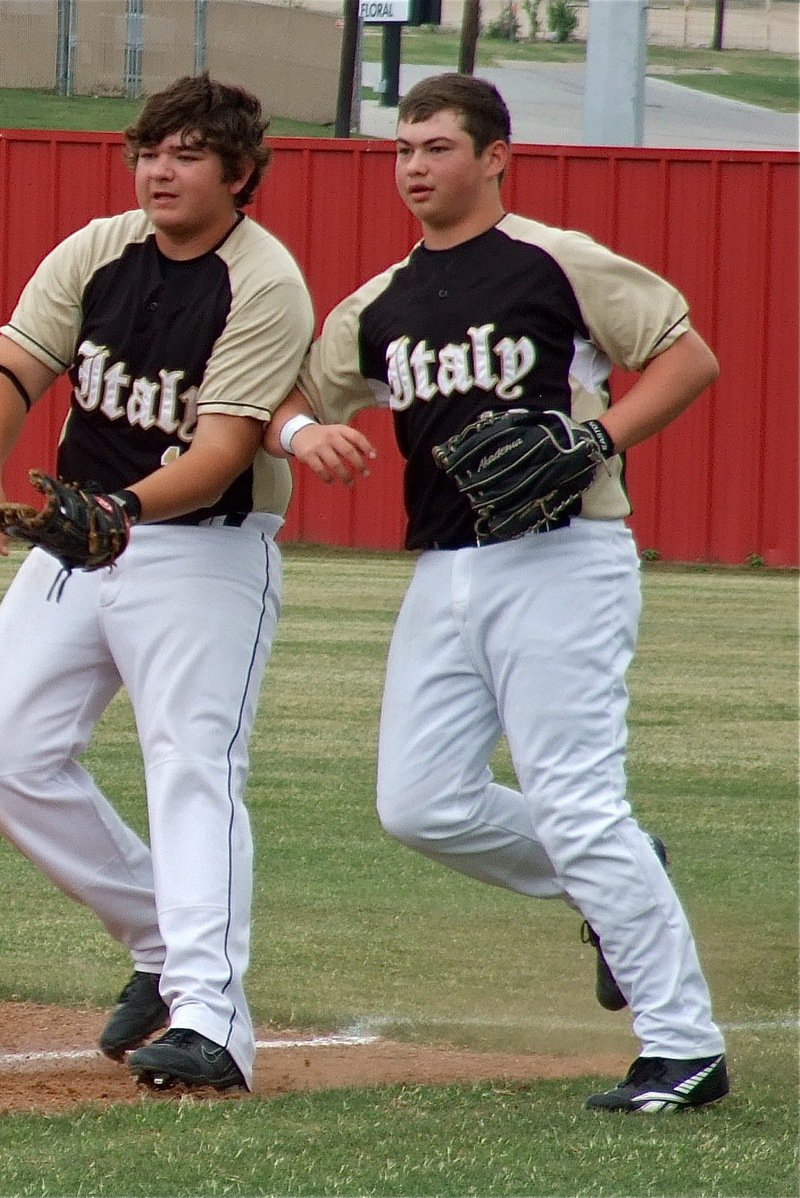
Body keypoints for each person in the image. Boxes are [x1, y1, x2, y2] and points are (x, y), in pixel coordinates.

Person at [265, 72, 728, 1113]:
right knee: (420, 803)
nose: (415, 167)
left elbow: (687, 357)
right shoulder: (380, 302)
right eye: (404, 150)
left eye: (436, 147)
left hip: (567, 555)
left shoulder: (554, 263)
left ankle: (684, 1047)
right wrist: (304, 432)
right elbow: (281, 391)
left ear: (494, 157)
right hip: (446, 565)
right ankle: (618, 878)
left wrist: (595, 435)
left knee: (574, 798)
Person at [0, 73, 314, 1093]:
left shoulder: (263, 280)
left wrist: (123, 511)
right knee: (1, 755)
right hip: (85, 537)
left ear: (239, 175)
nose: (160, 168)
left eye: (188, 153)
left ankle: (215, 1024)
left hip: (203, 546)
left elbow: (227, 443)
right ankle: (159, 937)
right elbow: (9, 370)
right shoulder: (100, 250)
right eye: (150, 150)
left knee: (193, 764)